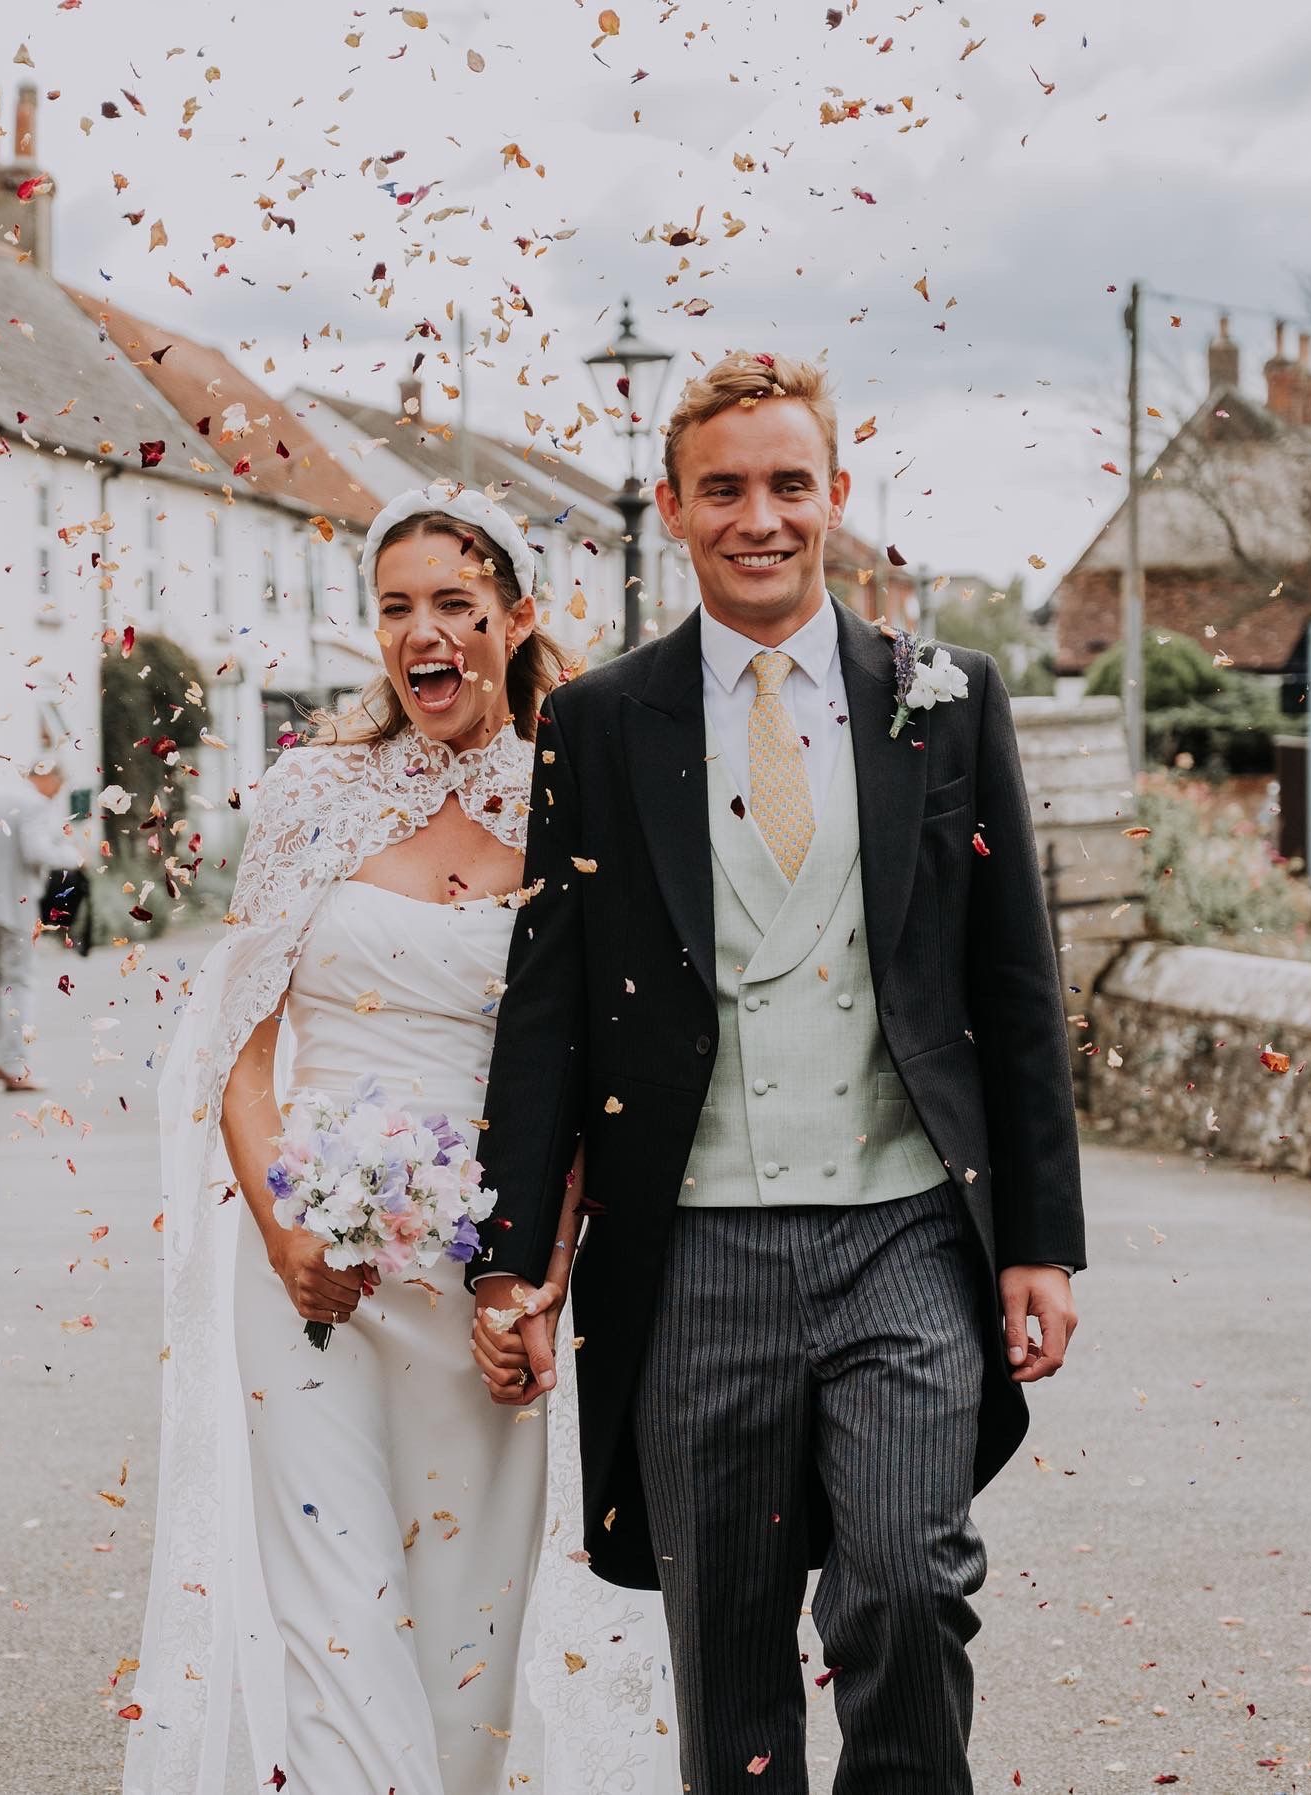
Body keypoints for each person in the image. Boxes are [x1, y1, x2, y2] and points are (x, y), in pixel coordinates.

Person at [471, 352, 1087, 1795]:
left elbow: (1014, 981)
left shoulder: (948, 699)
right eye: (727, 488)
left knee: (905, 1581)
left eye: (789, 484)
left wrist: (1041, 1241)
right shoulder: (603, 723)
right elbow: (547, 1004)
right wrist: (512, 1255)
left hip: (905, 1231)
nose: (763, 515)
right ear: (677, 509)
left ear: (837, 498)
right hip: (695, 1247)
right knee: (730, 1644)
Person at [123, 483, 677, 1795]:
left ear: (518, 615)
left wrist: (534, 1275)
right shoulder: (314, 794)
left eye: (453, 605)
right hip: (311, 1272)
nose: (422, 633)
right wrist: (286, 1229)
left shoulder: (572, 804)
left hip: (485, 1278)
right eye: (394, 609)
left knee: (465, 1661)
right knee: (332, 1630)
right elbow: (239, 1056)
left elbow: (595, 1073)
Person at [0, 759, 82, 1092]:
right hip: (13, 904)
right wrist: (74, 857)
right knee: (20, 980)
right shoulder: (33, 803)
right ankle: (14, 1066)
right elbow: (35, 851)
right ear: (45, 775)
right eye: (59, 783)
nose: (57, 793)